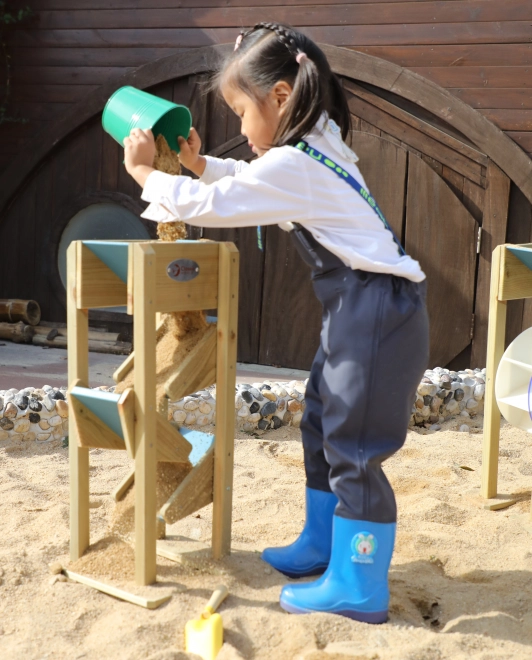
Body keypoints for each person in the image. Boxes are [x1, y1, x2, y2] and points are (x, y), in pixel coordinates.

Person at [122, 22, 429, 624]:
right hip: (359, 308)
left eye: (241, 111)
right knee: (321, 418)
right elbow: (248, 184)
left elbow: (219, 206)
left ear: (282, 98)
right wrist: (204, 164)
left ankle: (360, 581)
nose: (239, 127)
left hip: (374, 312)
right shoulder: (318, 142)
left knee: (354, 445)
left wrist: (146, 174)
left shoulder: (297, 164)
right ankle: (323, 543)